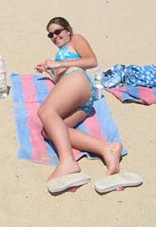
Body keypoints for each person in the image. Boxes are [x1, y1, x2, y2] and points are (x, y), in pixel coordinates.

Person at [35, 17, 123, 193]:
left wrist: (58, 64)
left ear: (68, 30)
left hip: (78, 80)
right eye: (50, 35)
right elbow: (62, 81)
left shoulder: (75, 39)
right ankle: (107, 148)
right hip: (80, 98)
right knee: (49, 130)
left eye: (58, 31)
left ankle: (67, 161)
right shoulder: (59, 55)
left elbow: (91, 61)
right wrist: (51, 72)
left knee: (46, 111)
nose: (55, 36)